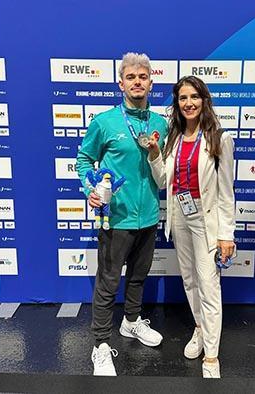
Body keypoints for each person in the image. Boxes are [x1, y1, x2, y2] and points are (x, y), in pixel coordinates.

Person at [76, 52, 168, 376]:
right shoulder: (104, 122)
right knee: (108, 283)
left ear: (151, 82)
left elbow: (163, 169)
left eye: (143, 77)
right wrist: (90, 189)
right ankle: (100, 345)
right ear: (121, 83)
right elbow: (83, 160)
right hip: (116, 218)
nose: (137, 82)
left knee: (138, 276)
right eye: (131, 77)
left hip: (149, 218)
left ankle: (131, 321)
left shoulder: (160, 124)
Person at [145, 75, 235, 378]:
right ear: (177, 103)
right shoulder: (172, 138)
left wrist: (226, 235)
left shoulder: (219, 139)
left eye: (194, 97)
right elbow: (162, 181)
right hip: (179, 217)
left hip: (206, 220)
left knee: (209, 285)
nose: (189, 103)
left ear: (204, 100)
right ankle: (199, 328)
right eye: (183, 98)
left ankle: (212, 355)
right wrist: (154, 154)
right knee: (190, 280)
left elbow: (226, 192)